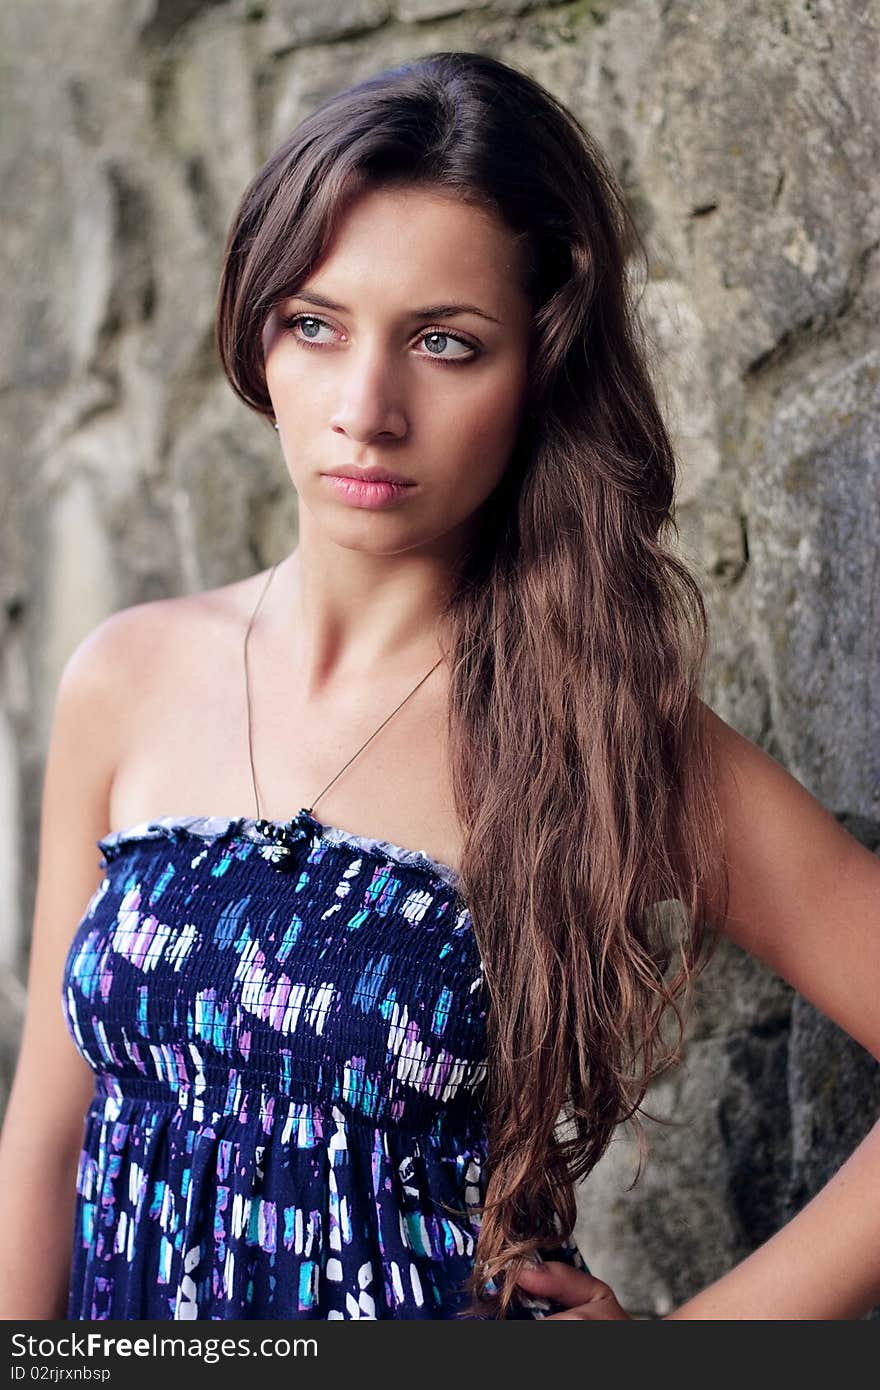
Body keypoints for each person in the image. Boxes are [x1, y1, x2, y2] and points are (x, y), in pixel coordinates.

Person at [1, 49, 878, 1323]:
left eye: (445, 344)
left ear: (541, 369)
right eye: (316, 324)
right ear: (259, 332)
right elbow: (44, 1126)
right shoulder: (125, 675)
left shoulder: (593, 732)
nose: (365, 407)